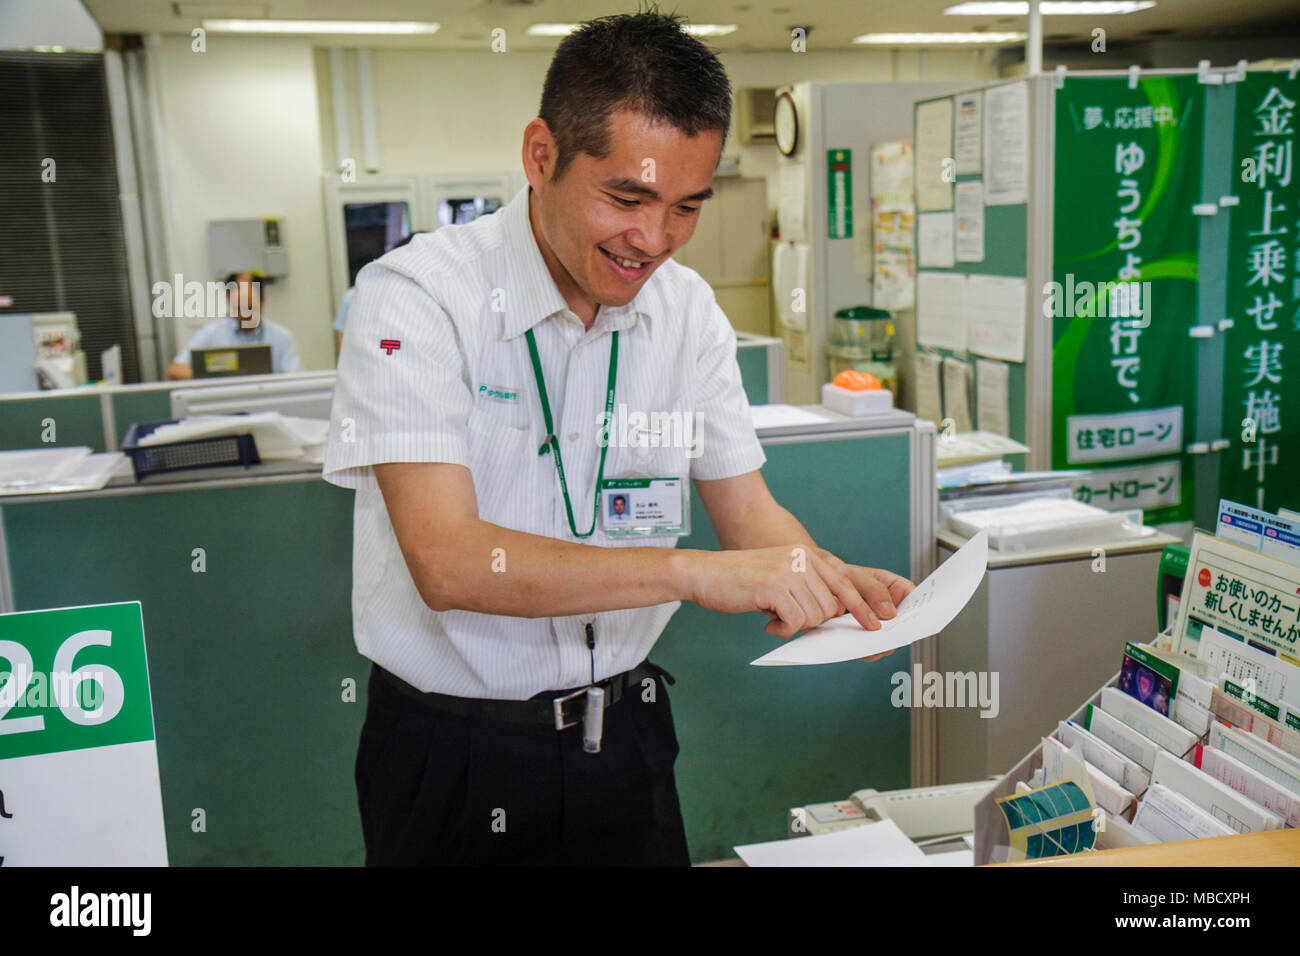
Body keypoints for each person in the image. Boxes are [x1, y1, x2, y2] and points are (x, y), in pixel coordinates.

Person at [323, 9, 914, 867]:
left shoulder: (686, 312)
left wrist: (826, 581)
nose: (654, 240)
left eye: (685, 208)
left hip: (627, 738)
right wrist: (689, 571)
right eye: (627, 199)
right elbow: (446, 562)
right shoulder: (416, 298)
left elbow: (749, 513)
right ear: (541, 156)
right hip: (456, 752)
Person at [167, 272, 301, 379]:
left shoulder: (282, 337)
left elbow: (295, 378)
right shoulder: (211, 334)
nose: (244, 314)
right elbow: (176, 370)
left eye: (249, 307)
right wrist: (214, 378)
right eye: (238, 308)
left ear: (262, 302)